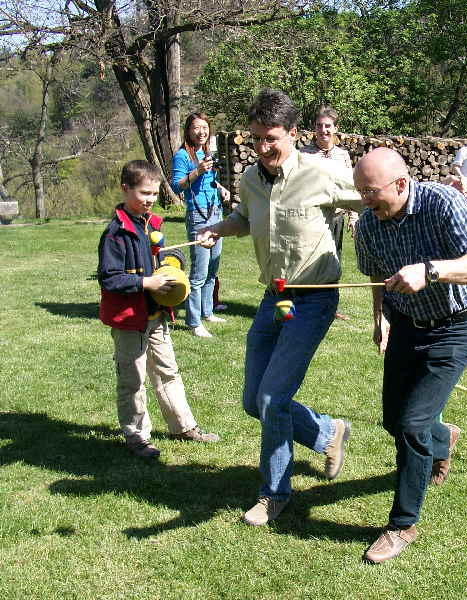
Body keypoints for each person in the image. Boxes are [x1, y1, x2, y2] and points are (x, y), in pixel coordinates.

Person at [195, 89, 363, 526]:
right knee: (255, 400)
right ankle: (328, 432)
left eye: (271, 138)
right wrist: (219, 228)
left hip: (314, 299)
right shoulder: (251, 180)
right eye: (256, 139)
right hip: (277, 299)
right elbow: (245, 219)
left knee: (272, 398)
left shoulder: (322, 173)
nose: (263, 147)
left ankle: (273, 494)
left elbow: (373, 195)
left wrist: (425, 197)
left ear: (292, 133)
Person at [353, 147, 467, 564]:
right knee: (394, 421)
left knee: (412, 424)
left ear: (400, 183)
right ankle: (442, 438)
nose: (365, 201)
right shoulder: (369, 223)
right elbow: (377, 274)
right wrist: (380, 319)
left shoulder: (444, 202)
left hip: (453, 329)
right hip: (405, 326)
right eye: (360, 192)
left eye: (371, 191)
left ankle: (402, 525)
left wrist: (429, 270)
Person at [98, 160, 220, 459]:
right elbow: (110, 278)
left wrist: (175, 263)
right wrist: (147, 282)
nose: (150, 199)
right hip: (129, 320)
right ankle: (137, 436)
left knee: (168, 371)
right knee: (133, 381)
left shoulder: (150, 224)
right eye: (144, 193)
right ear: (125, 189)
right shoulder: (116, 234)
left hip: (155, 316)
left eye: (154, 194)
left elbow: (163, 256)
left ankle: (183, 426)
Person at [170, 112, 230, 338]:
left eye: (205, 127)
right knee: (199, 272)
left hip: (216, 212)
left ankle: (207, 311)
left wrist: (220, 188)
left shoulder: (206, 152)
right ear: (188, 130)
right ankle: (194, 322)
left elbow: (209, 181)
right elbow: (176, 186)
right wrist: (197, 171)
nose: (201, 132)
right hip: (198, 216)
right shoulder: (182, 155)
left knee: (213, 268)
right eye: (196, 127)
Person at [300, 105, 358, 320]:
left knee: (334, 262)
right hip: (313, 218)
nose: (323, 130)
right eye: (319, 126)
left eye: (327, 126)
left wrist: (353, 217)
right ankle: (308, 305)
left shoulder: (342, 156)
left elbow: (350, 188)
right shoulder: (303, 154)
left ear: (335, 128)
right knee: (311, 262)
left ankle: (330, 308)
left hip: (336, 218)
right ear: (314, 128)